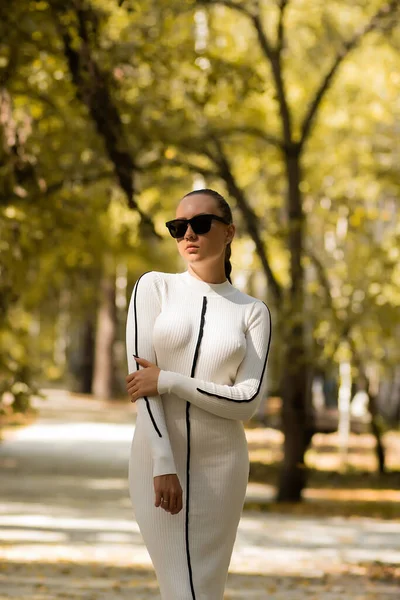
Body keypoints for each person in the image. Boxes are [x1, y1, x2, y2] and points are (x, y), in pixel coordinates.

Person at [125, 188, 272, 600]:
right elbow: (141, 386)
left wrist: (170, 380)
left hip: (222, 468)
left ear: (228, 232)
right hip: (157, 462)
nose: (188, 234)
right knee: (182, 589)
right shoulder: (153, 288)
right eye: (178, 227)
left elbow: (247, 401)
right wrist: (163, 462)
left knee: (203, 591)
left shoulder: (252, 311)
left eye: (200, 224)